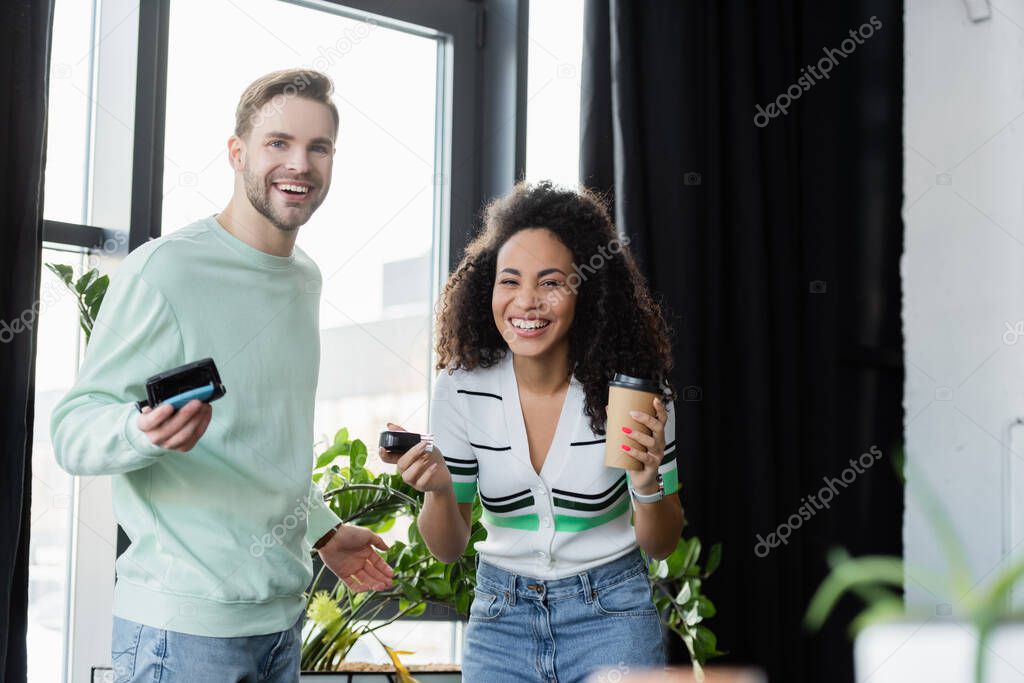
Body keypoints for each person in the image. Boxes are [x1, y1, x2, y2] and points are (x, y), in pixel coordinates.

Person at [51, 69, 393, 682]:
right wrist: (143, 431)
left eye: (319, 148)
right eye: (278, 143)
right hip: (180, 636)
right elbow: (72, 431)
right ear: (237, 153)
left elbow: (263, 447)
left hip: (278, 629)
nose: (300, 164)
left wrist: (322, 530)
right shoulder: (165, 272)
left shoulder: (305, 278)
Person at [382, 181, 684, 682]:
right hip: (502, 622)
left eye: (550, 282)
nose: (526, 303)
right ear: (488, 287)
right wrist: (437, 491)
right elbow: (448, 547)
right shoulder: (462, 388)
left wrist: (648, 483)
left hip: (613, 618)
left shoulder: (630, 392)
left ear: (585, 289)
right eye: (510, 281)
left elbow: (661, 544)